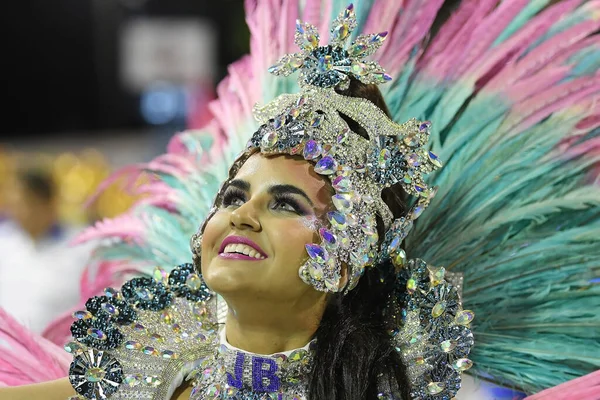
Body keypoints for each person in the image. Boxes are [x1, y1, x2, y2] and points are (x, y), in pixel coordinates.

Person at [1, 1, 599, 400]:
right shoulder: (148, 374)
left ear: (347, 252)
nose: (242, 212)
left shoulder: (393, 384)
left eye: (285, 204)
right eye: (234, 194)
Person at [0, 168, 90, 334]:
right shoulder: (4, 241)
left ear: (47, 203)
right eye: (12, 204)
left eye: (23, 203)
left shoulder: (83, 245)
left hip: (62, 352)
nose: (16, 212)